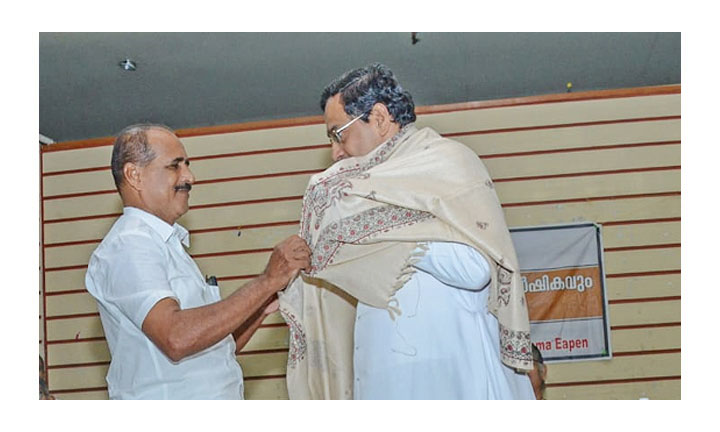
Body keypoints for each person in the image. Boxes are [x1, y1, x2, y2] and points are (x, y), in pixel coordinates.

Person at [278, 64, 534, 399]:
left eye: (338, 133)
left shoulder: (448, 162)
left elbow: (477, 269)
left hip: (452, 371)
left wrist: (384, 232)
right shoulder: (353, 197)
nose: (335, 152)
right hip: (384, 373)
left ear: (380, 118)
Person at [85, 124, 311, 399]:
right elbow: (177, 337)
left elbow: (217, 346)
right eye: (174, 166)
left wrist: (262, 305)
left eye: (187, 166)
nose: (189, 177)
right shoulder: (130, 244)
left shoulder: (167, 246)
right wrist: (265, 282)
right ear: (134, 175)